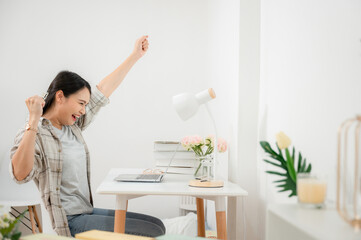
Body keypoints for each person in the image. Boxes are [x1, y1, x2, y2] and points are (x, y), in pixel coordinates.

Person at [9, 35, 166, 237]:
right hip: (71, 222)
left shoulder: (72, 125)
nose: (84, 110)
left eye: (85, 104)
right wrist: (32, 121)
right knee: (152, 231)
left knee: (158, 225)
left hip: (86, 212)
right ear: (60, 97)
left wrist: (135, 55)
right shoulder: (36, 132)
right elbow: (20, 175)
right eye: (81, 103)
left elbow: (104, 90)